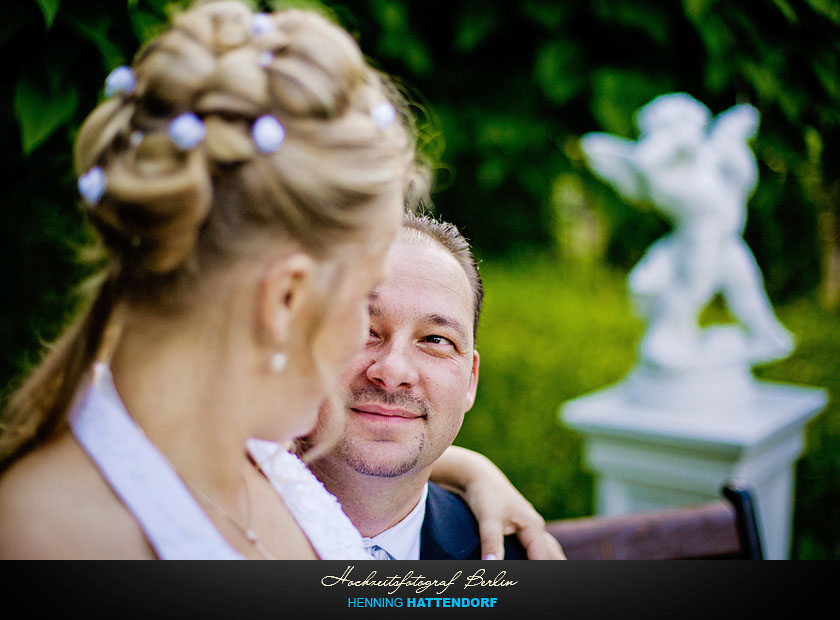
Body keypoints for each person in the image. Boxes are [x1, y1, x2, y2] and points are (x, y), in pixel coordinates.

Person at [0, 1, 554, 559]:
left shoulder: (258, 461)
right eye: (361, 304)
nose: (386, 367)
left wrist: (468, 470)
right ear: (286, 297)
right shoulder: (52, 537)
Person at [306, 212, 565, 560]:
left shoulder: (512, 557)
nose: (393, 370)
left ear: (471, 379)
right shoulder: (214, 532)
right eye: (363, 329)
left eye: (435, 339)